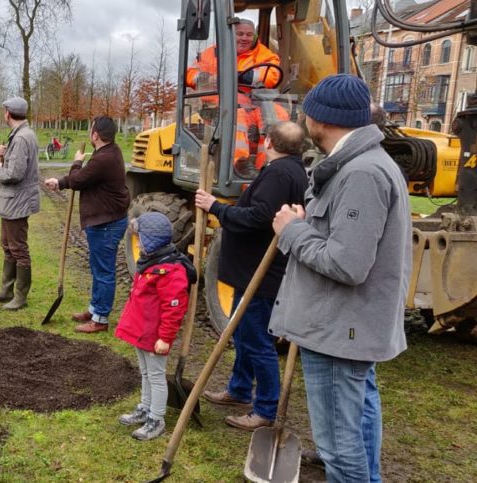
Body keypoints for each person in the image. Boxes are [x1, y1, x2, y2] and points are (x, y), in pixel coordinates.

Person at [270, 74, 410, 482]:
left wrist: (291, 231)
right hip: (348, 327)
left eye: (306, 113)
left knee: (338, 445)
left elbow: (348, 264)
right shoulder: (358, 165)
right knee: (360, 420)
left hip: (339, 330)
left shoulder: (361, 174)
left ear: (321, 120)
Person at [194, 121, 309, 431]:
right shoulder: (293, 170)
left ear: (269, 141)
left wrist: (216, 207)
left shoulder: (279, 173)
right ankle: (239, 389)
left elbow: (259, 217)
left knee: (258, 341)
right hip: (251, 271)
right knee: (244, 334)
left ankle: (266, 409)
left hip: (260, 273)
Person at [43, 116, 131, 333]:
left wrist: (76, 162)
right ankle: (94, 309)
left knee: (104, 270)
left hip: (107, 223)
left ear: (95, 135)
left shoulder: (103, 159)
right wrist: (60, 183)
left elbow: (79, 179)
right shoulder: (110, 152)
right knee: (97, 267)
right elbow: (83, 179)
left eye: (91, 131)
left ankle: (100, 319)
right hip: (105, 220)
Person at [115, 212, 191, 441]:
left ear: (153, 240)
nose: (137, 242)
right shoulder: (150, 263)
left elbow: (174, 308)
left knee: (156, 376)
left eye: (140, 238)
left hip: (155, 335)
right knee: (145, 372)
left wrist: (165, 338)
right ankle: (145, 408)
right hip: (141, 331)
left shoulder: (170, 271)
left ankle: (156, 419)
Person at [186, 19, 284, 175]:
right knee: (235, 114)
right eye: (240, 34)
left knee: (279, 113)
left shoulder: (264, 54)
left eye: (249, 35)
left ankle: (269, 166)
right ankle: (239, 165)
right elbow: (190, 75)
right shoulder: (211, 53)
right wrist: (209, 78)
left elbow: (273, 74)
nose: (244, 38)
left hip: (253, 105)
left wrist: (244, 76)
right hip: (219, 108)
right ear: (231, 34)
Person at [0, 97, 40, 310]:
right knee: (7, 245)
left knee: (18, 248)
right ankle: (7, 289)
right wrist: (3, 154)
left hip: (17, 201)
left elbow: (15, 173)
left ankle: (20, 296)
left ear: (8, 114)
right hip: (11, 202)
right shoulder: (18, 135)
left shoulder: (22, 138)